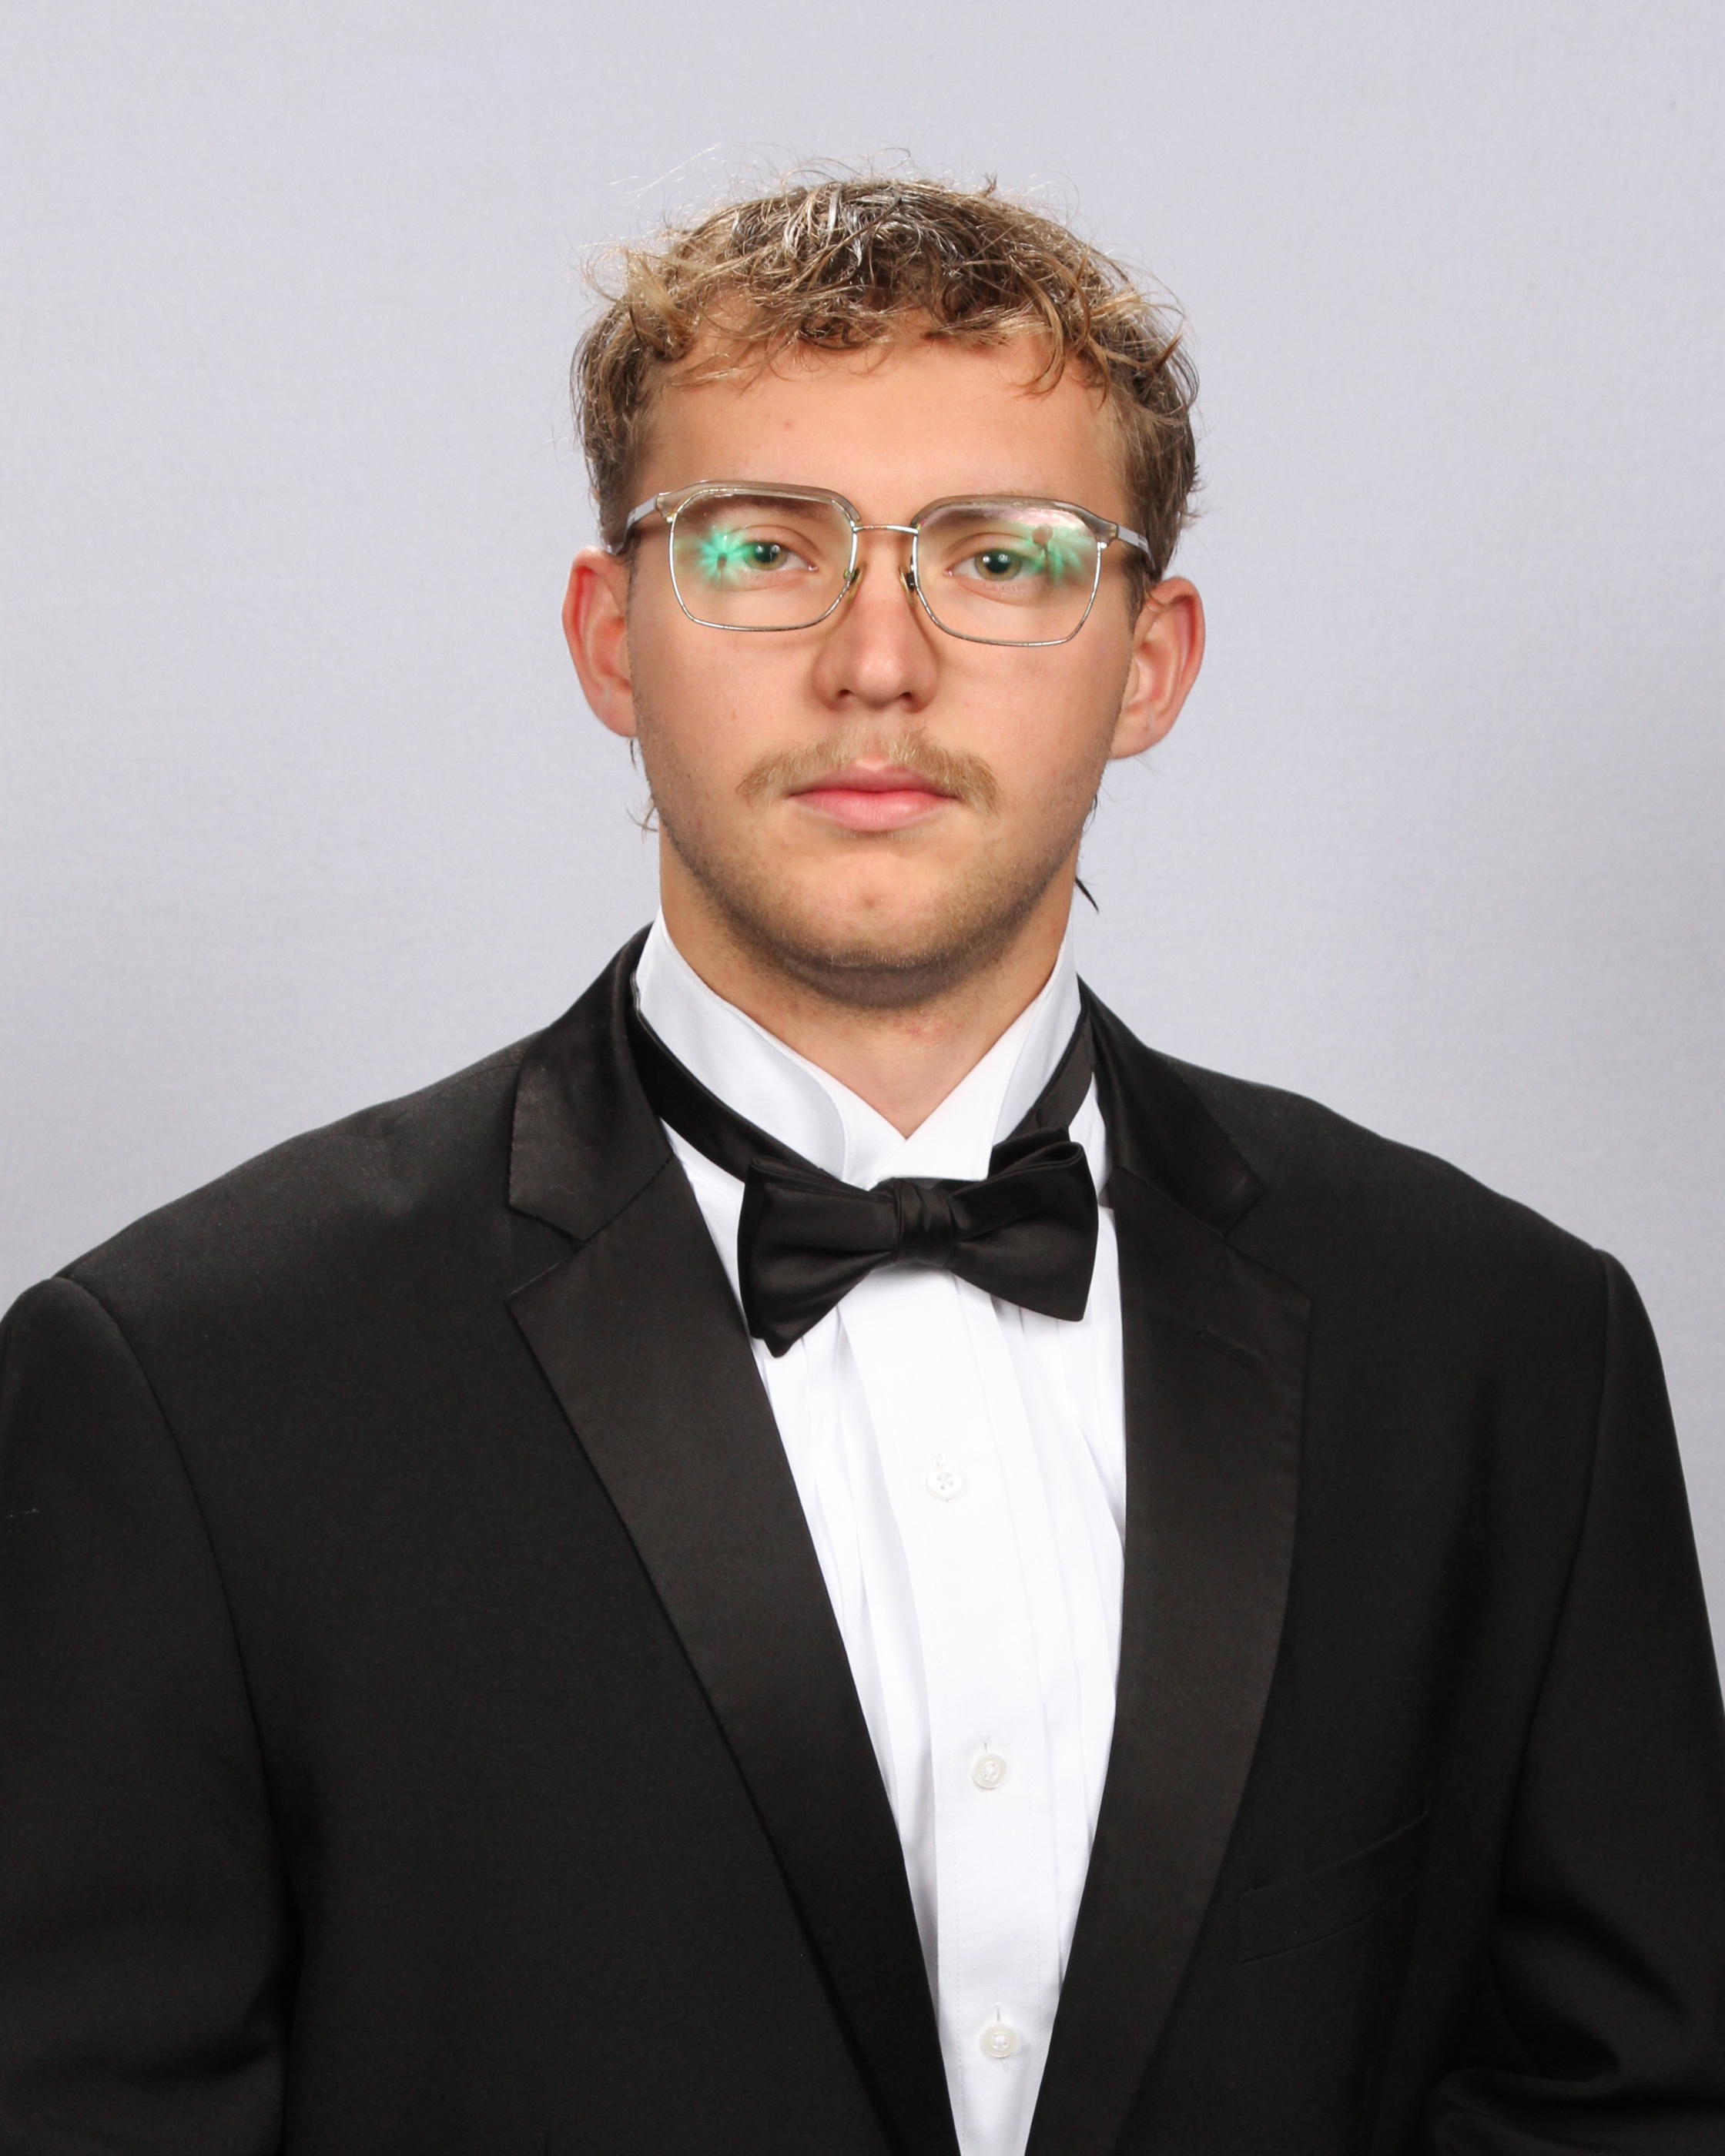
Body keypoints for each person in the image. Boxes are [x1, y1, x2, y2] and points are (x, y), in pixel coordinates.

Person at [1, 173, 1721, 2156]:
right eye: (760, 548)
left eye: (1001, 555)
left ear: (1147, 659)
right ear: (611, 637)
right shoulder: (189, 1387)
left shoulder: (1510, 1350)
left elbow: (1630, 2108)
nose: (877, 661)